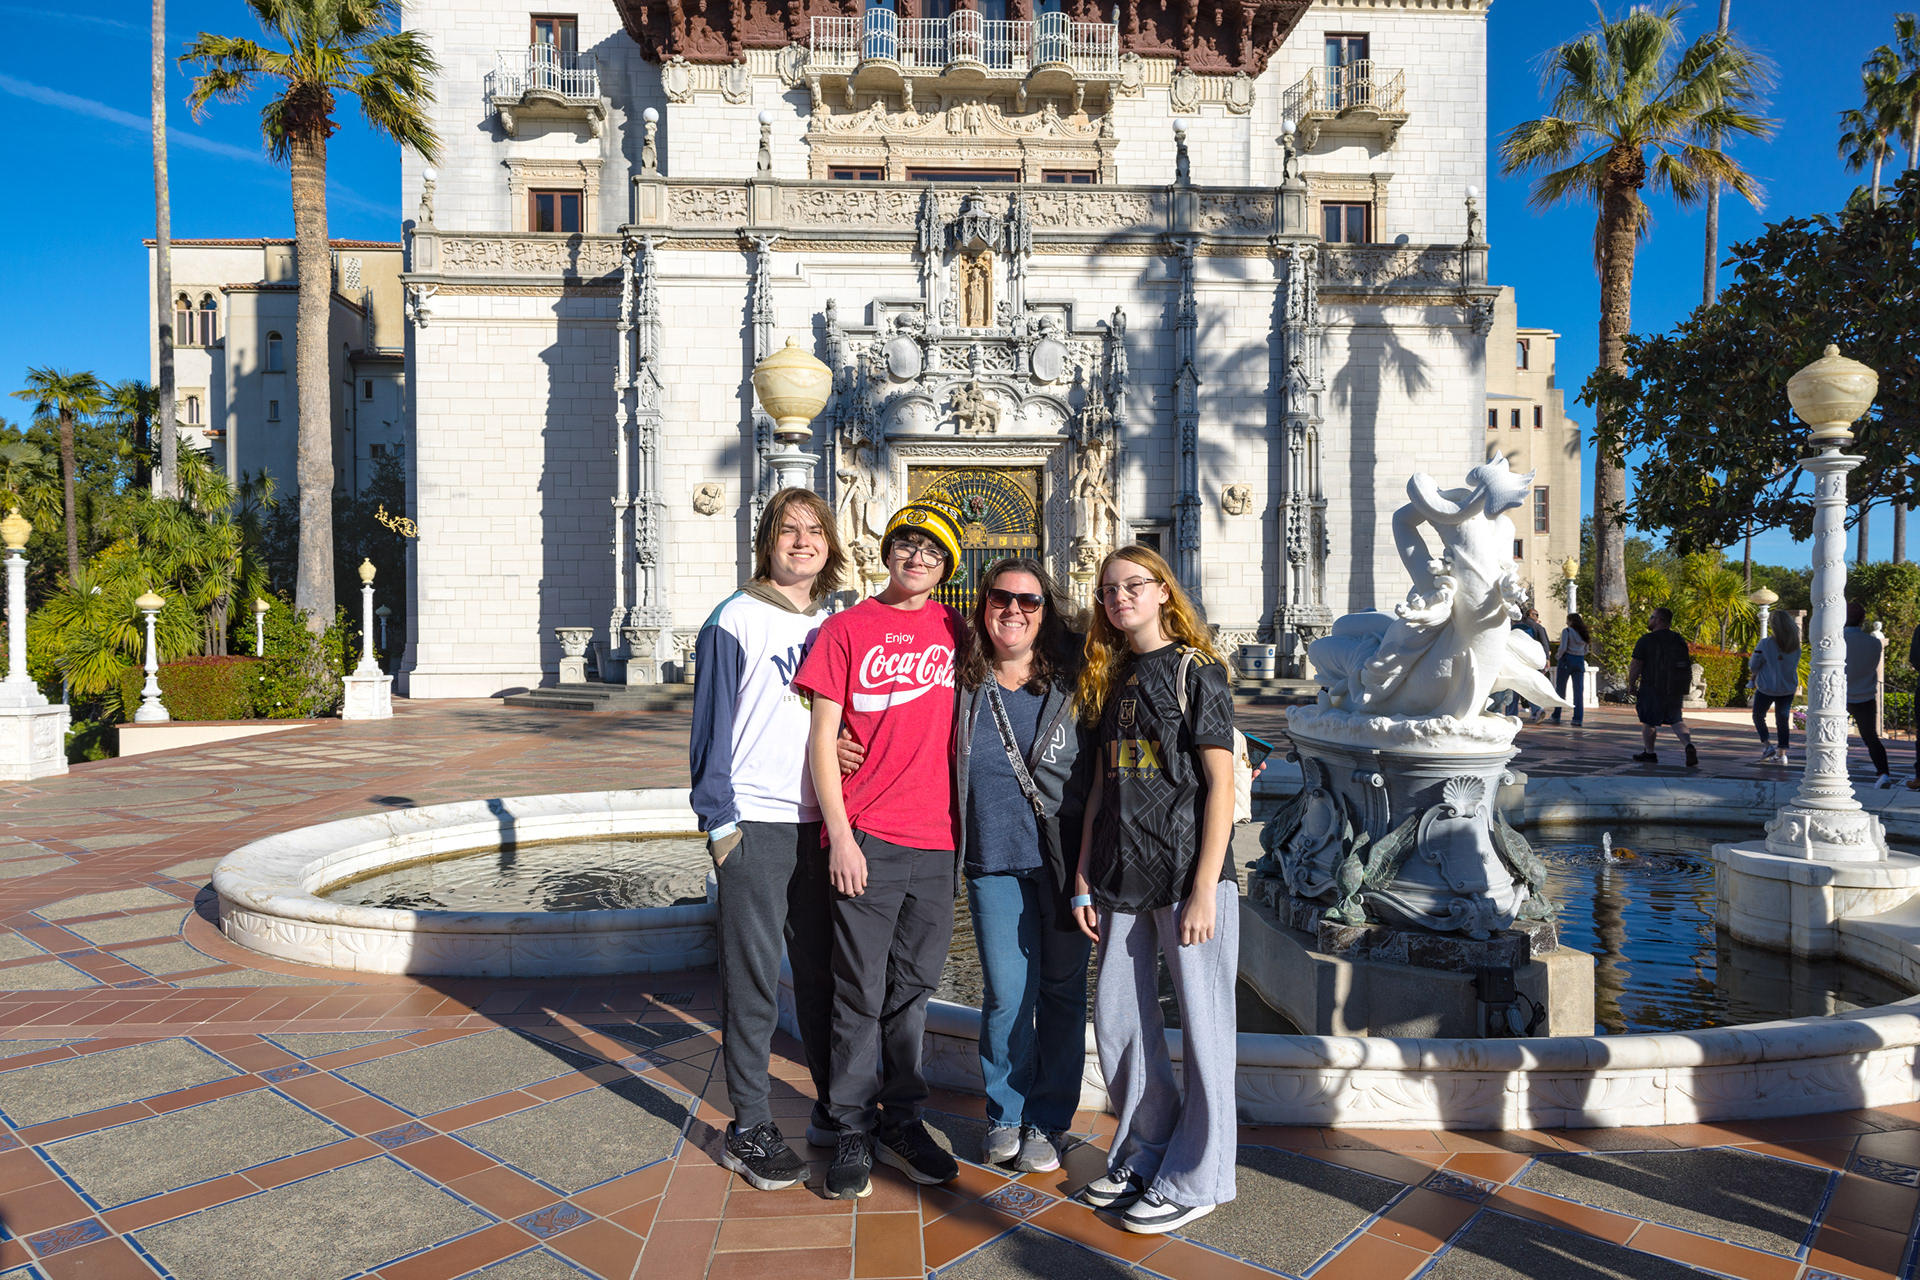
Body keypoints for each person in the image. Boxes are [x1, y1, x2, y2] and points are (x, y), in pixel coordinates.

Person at [794, 499, 970, 1201]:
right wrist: (839, 835)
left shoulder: (958, 631)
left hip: (938, 842)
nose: (917, 556)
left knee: (912, 993)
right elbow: (820, 738)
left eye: (931, 549)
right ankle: (849, 1128)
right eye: (905, 542)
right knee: (857, 992)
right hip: (867, 834)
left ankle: (902, 1120)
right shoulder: (846, 629)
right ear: (886, 550)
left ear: (947, 565)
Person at [1070, 545, 1239, 1236]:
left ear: (1164, 592)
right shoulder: (1114, 677)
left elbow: (1222, 785)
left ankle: (1200, 1176)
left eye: (1132, 586)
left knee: (1204, 1031)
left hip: (1185, 875)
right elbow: (1104, 786)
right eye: (1108, 590)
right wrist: (1083, 872)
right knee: (1120, 1022)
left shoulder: (1198, 673)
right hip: (1119, 874)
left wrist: (1204, 888)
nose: (1119, 599)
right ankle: (1145, 1150)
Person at [689, 487, 845, 1191]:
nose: (803, 542)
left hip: (826, 827)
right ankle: (748, 1124)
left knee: (823, 979)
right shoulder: (735, 619)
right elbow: (709, 734)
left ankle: (833, 1114)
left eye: (815, 531)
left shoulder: (841, 622)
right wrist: (722, 828)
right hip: (756, 822)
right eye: (789, 531)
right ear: (767, 542)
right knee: (753, 983)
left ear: (830, 544)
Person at [952, 558, 1093, 1172]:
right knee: (1008, 993)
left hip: (1064, 866)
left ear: (1046, 612)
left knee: (1062, 993)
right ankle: (1005, 1111)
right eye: (1001, 599)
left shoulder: (1077, 684)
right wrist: (843, 743)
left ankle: (1049, 1118)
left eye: (1029, 601)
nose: (1013, 610)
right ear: (983, 607)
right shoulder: (959, 683)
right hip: (992, 860)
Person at [1627, 607, 1696, 767]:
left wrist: (1631, 684)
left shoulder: (1646, 640)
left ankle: (1649, 753)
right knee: (1676, 719)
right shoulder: (1678, 639)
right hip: (1675, 687)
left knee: (1648, 721)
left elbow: (1636, 665)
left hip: (1653, 687)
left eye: (1652, 617)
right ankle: (1688, 745)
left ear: (1658, 620)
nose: (1649, 620)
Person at [1844, 602, 1894, 789]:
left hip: (1840, 697)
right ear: (1862, 620)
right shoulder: (1874, 643)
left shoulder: (1837, 640)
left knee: (1832, 737)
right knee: (1871, 738)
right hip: (1865, 696)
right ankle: (1883, 773)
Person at [1748, 611, 1801, 765]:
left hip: (1766, 687)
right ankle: (1782, 754)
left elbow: (1754, 665)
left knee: (1758, 715)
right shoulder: (1795, 646)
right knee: (1782, 720)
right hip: (1787, 687)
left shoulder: (1765, 644)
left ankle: (1767, 745)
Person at [1547, 612, 1590, 727]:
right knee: (1578, 691)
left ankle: (1556, 715)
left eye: (1568, 620)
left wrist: (1557, 656)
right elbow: (1586, 650)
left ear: (1571, 621)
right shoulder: (1584, 633)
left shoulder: (1567, 631)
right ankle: (1578, 718)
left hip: (1567, 660)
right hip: (1580, 660)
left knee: (1560, 689)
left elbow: (1563, 647)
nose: (1566, 622)